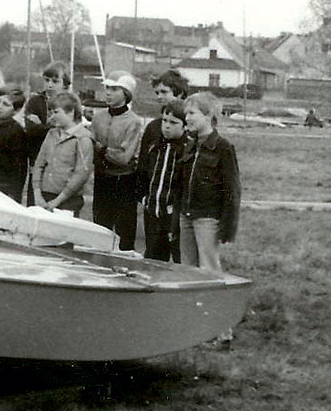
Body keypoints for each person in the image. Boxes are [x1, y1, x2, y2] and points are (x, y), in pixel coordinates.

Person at [176, 92, 241, 270]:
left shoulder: (223, 148)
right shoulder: (190, 146)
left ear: (208, 116)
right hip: (186, 215)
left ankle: (211, 298)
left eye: (192, 113)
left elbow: (232, 189)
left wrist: (228, 227)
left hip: (207, 218)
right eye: (186, 113)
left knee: (208, 266)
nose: (186, 118)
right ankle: (191, 298)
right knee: (187, 266)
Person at [137, 68, 188, 261]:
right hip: (153, 204)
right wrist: (142, 195)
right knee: (153, 253)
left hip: (175, 208)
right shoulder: (153, 127)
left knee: (179, 255)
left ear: (180, 93)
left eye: (164, 92)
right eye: (157, 93)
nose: (159, 97)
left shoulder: (190, 128)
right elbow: (143, 164)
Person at [90, 71, 143, 251]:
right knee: (99, 228)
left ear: (126, 93)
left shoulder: (134, 122)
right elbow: (90, 148)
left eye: (114, 89)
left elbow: (124, 157)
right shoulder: (98, 118)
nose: (108, 93)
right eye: (107, 88)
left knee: (124, 233)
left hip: (124, 182)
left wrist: (101, 148)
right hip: (102, 179)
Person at [32, 91, 93, 217]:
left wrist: (57, 201)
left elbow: (81, 174)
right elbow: (39, 164)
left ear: (70, 112)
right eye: (51, 112)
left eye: (56, 112)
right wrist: (37, 193)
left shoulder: (82, 138)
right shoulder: (51, 134)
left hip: (68, 201)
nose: (51, 117)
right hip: (44, 196)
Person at [24, 61, 71, 206]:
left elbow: (68, 129)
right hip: (37, 161)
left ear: (65, 83)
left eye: (55, 81)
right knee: (34, 207)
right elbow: (31, 131)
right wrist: (48, 127)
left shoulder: (70, 103)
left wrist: (41, 125)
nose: (50, 85)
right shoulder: (35, 101)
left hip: (61, 167)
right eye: (47, 80)